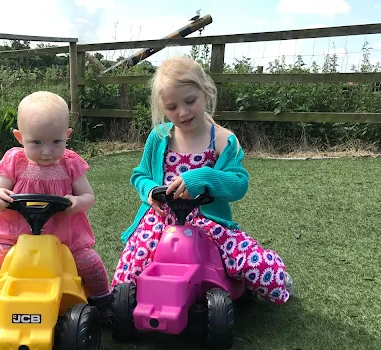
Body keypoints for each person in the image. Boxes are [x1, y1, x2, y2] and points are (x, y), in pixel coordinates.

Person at [112, 57, 293, 304]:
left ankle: (279, 276)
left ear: (206, 93)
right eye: (172, 106)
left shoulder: (222, 139)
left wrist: (203, 177)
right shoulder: (159, 136)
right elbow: (139, 175)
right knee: (126, 280)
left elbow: (238, 183)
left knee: (260, 272)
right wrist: (151, 190)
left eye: (190, 101)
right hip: (160, 221)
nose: (183, 112)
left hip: (208, 223)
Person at [0, 91, 112, 320]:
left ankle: (104, 303)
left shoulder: (71, 163)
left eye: (56, 142)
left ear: (67, 135)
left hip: (65, 240)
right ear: (19, 137)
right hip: (13, 239)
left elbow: (88, 196)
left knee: (92, 265)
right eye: (36, 142)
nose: (47, 151)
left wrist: (77, 202)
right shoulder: (15, 161)